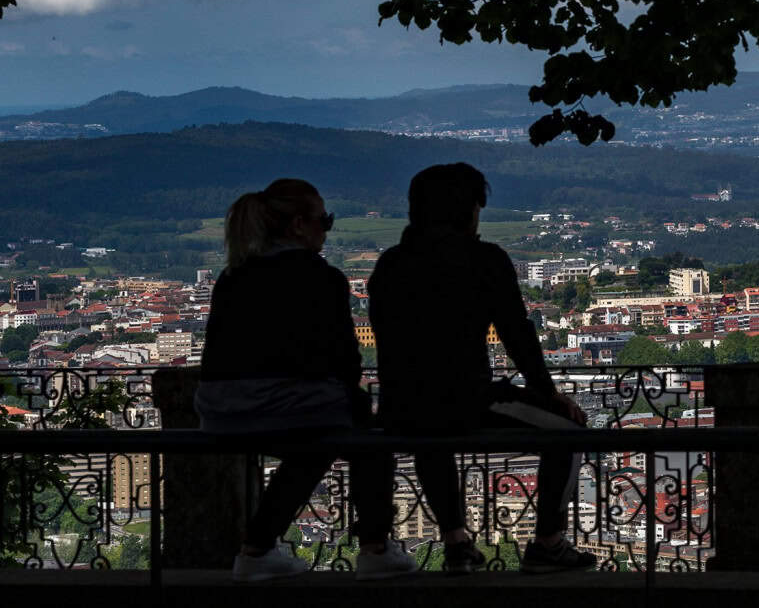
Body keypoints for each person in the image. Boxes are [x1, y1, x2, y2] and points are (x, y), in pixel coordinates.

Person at [369, 163, 596, 575]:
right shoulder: (482, 259)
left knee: (429, 438)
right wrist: (548, 394)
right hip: (465, 400)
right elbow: (518, 335)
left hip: (401, 407)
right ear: (468, 209)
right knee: (568, 433)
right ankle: (548, 542)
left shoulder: (390, 265)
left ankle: (456, 541)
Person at [195, 178, 416, 583]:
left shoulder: (232, 276)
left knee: (318, 438)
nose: (326, 229)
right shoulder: (320, 276)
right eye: (324, 220)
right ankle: (374, 548)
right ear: (299, 225)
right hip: (280, 406)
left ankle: (259, 549)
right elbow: (345, 358)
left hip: (218, 409)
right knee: (364, 441)